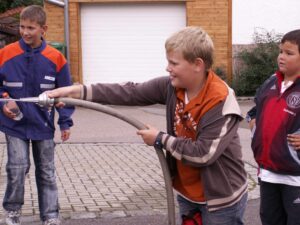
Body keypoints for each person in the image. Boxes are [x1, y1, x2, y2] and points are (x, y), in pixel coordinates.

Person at [47, 26, 248, 224]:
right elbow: (130, 92)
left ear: (197, 64)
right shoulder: (172, 87)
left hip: (221, 201)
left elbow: (204, 153)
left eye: (174, 63)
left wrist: (160, 139)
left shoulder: (220, 100)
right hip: (188, 194)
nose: (167, 68)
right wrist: (75, 92)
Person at [0, 5, 74, 225]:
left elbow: (66, 92)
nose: (25, 32)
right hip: (13, 124)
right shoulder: (5, 53)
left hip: (43, 126)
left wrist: (65, 121)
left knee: (47, 171)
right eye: (22, 27)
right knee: (17, 167)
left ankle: (50, 215)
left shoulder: (56, 58)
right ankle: (12, 212)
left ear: (44, 29)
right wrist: (4, 99)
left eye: (30, 28)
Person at [246, 29, 300, 225]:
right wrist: (253, 126)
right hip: (268, 174)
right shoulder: (271, 81)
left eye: (289, 53)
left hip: (296, 179)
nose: (281, 57)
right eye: (280, 51)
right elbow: (253, 112)